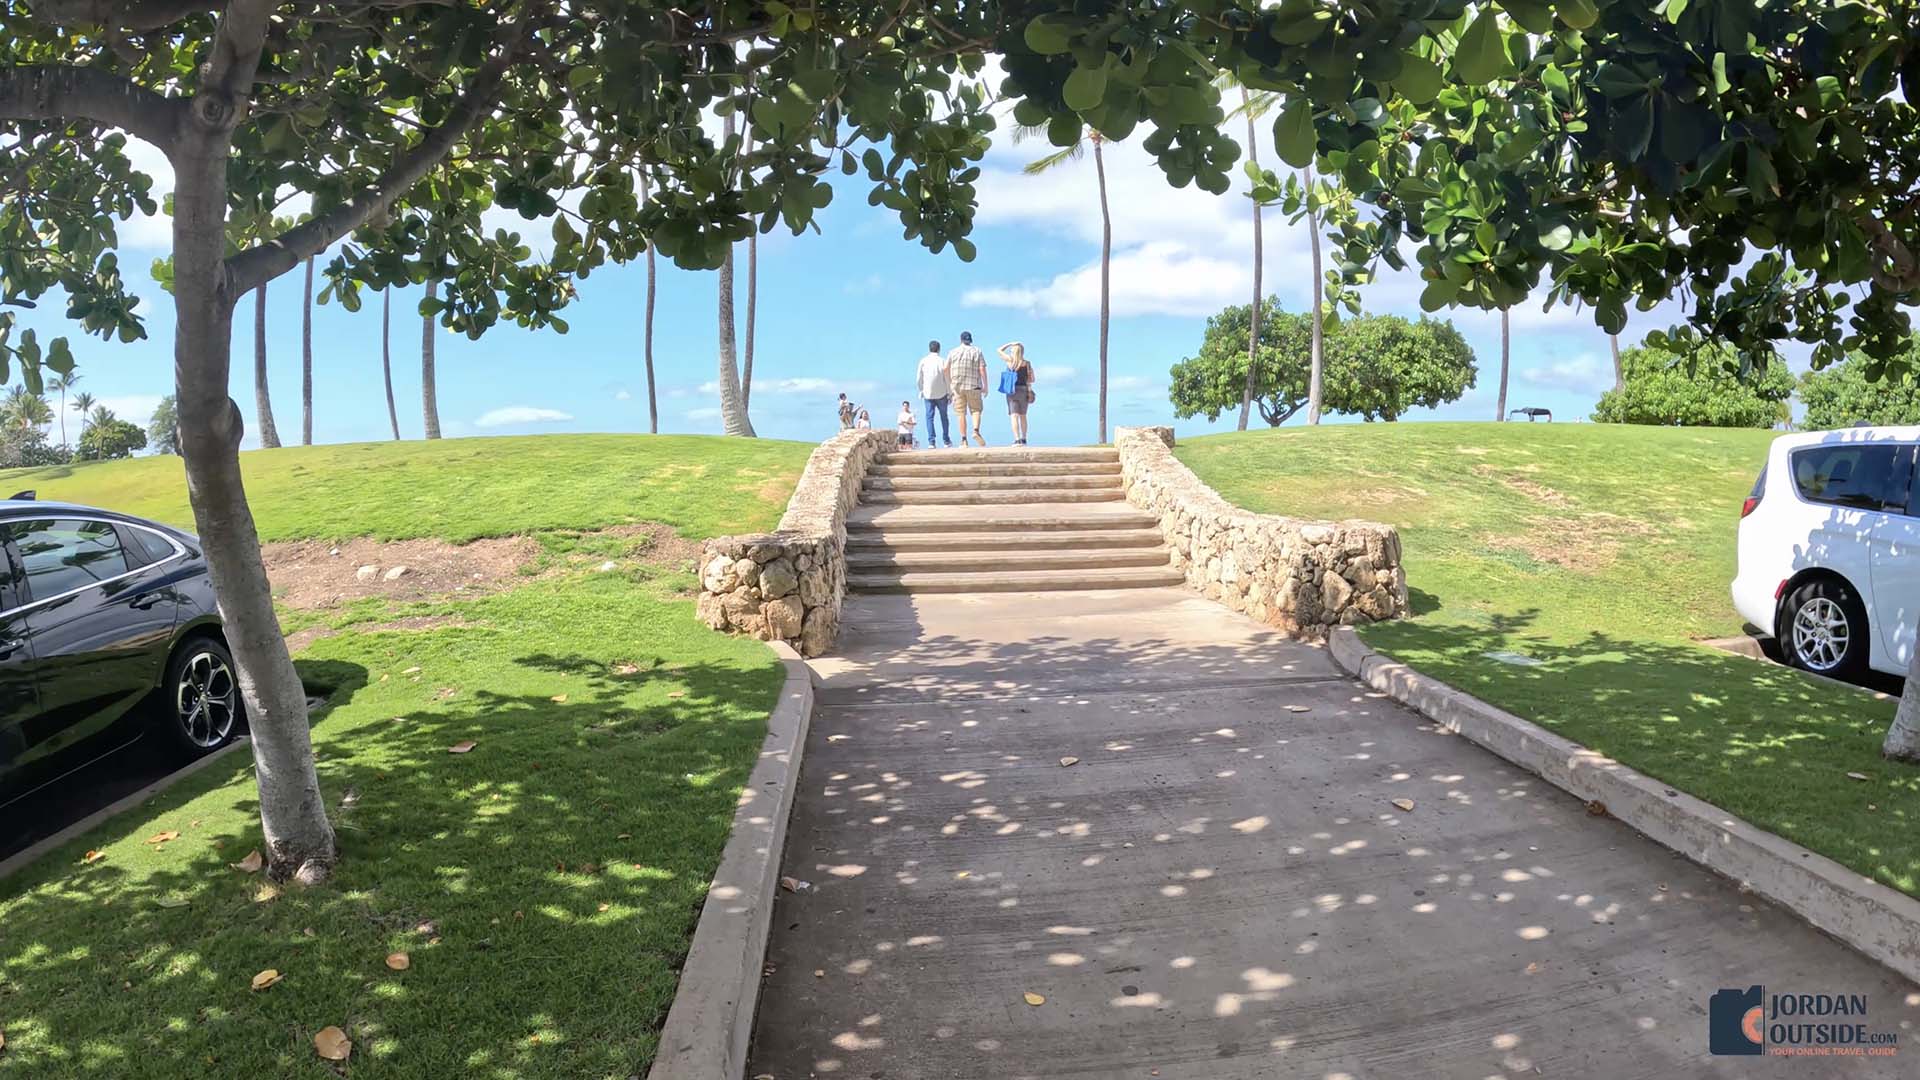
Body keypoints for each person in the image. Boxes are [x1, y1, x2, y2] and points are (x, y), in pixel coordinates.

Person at [946, 331, 988, 447]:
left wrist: (950, 382)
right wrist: (985, 386)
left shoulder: (953, 352)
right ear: (970, 340)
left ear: (960, 340)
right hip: (974, 385)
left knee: (961, 413)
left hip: (957, 386)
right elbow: (982, 369)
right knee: (976, 410)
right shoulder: (977, 351)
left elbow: (945, 368)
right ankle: (975, 431)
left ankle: (964, 440)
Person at [915, 339, 953, 448]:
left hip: (928, 393)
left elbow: (918, 378)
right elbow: (947, 378)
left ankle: (931, 442)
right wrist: (950, 393)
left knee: (929, 417)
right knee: (944, 417)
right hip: (942, 393)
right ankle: (946, 440)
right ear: (939, 349)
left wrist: (921, 390)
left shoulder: (923, 361)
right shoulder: (942, 361)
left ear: (929, 349)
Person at [998, 341, 1035, 445]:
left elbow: (999, 350)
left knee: (1014, 416)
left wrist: (1010, 343)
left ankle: (1017, 439)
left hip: (1012, 391)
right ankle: (1024, 438)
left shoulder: (1010, 361)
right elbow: (1032, 379)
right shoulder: (1027, 364)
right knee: (1023, 416)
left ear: (1013, 352)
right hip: (1024, 390)